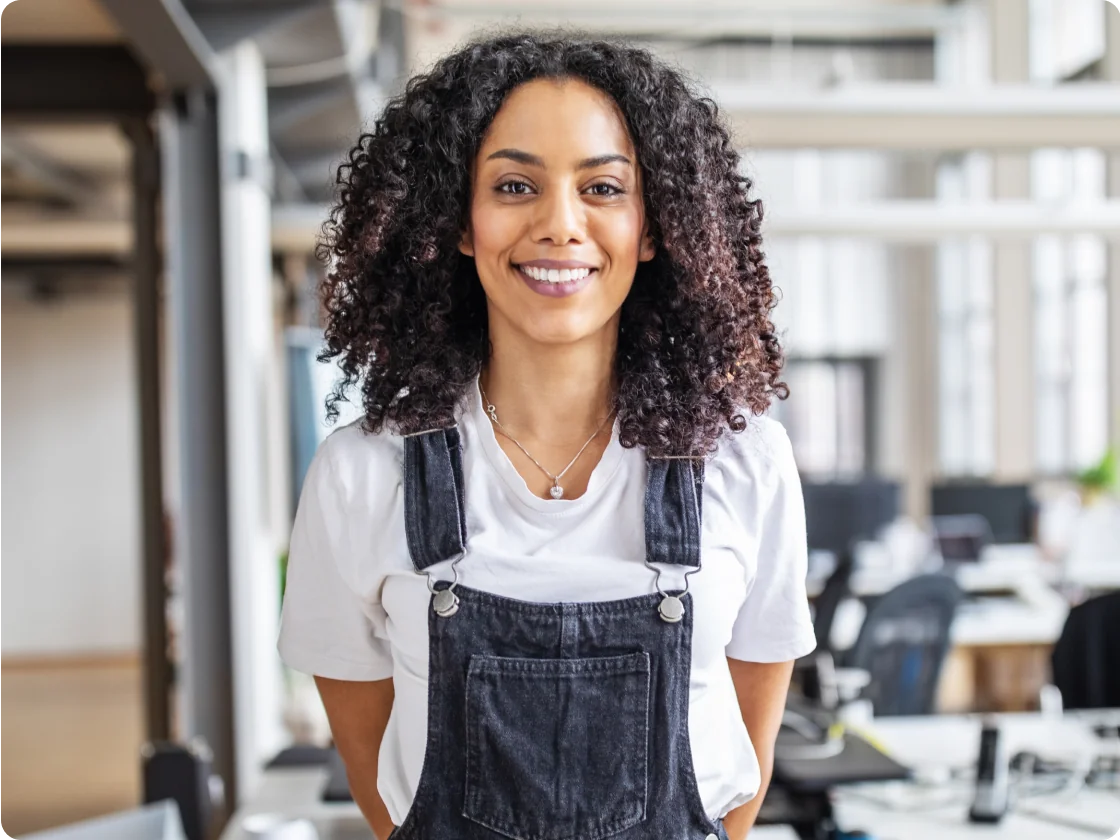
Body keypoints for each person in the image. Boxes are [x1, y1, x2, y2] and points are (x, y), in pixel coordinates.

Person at [278, 33, 816, 840]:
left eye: (603, 187)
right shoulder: (361, 475)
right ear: (458, 222)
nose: (560, 225)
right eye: (515, 184)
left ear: (654, 225)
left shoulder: (747, 464)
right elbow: (379, 786)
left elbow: (742, 776)